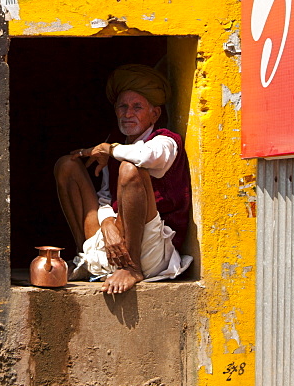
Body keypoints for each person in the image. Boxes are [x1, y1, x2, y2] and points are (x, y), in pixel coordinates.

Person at [54, 64, 192, 294]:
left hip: (151, 246)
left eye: (137, 107)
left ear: (154, 114)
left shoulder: (166, 141)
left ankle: (132, 267)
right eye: (123, 107)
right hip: (115, 238)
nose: (128, 114)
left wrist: (109, 149)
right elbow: (105, 196)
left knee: (130, 169)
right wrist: (108, 223)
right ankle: (87, 256)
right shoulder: (118, 143)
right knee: (67, 166)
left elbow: (144, 156)